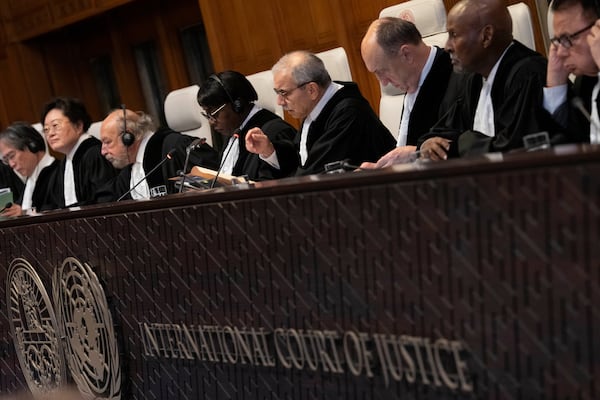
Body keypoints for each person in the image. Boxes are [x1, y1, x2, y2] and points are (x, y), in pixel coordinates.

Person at [418, 0, 554, 160]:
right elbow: (445, 131)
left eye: (454, 35)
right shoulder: (474, 79)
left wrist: (462, 142)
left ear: (486, 36)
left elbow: (517, 149)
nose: (447, 46)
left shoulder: (528, 74)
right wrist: (428, 143)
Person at [245, 50, 396, 176]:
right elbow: (302, 158)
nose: (279, 101)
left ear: (311, 90)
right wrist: (269, 150)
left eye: (284, 93)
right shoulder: (316, 109)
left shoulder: (349, 112)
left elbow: (318, 172)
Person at [359, 17, 453, 168]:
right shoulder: (413, 79)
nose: (383, 82)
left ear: (406, 55)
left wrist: (415, 153)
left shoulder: (454, 75)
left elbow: (458, 147)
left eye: (382, 71)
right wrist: (378, 170)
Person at [197, 70, 297, 180]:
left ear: (237, 104)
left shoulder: (274, 132)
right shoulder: (234, 134)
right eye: (207, 115)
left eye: (213, 113)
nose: (211, 122)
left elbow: (277, 182)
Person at [98, 108, 210, 200]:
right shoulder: (128, 173)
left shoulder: (175, 148)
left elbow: (213, 184)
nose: (103, 151)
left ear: (128, 137)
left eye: (107, 142)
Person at [41, 97, 117, 208]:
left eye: (55, 126)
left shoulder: (96, 154)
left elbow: (106, 201)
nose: (50, 133)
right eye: (46, 129)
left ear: (78, 125)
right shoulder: (63, 165)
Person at [545, 0, 600, 143]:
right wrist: (555, 85)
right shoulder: (586, 81)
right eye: (558, 40)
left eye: (569, 38)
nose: (561, 52)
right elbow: (564, 146)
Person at [0, 123, 59, 216]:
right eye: (6, 160)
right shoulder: (31, 178)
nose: (11, 164)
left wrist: (24, 212)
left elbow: (60, 210)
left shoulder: (58, 173)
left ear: (32, 146)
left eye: (12, 156)